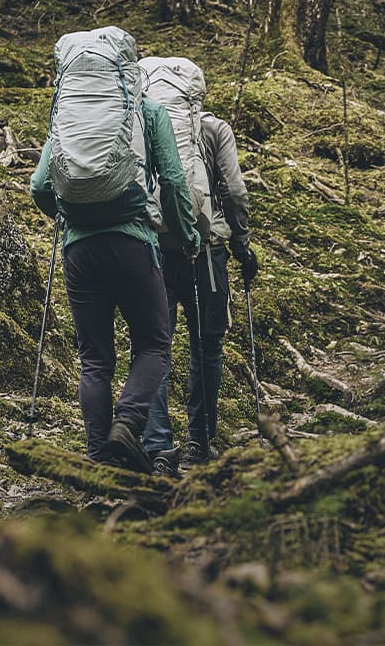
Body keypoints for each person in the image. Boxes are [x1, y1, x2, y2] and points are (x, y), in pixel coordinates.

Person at [30, 27, 201, 474]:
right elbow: (175, 183)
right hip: (133, 243)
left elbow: (39, 185)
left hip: (79, 253)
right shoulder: (146, 110)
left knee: (94, 359)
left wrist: (67, 219)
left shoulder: (68, 117)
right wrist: (185, 236)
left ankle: (99, 457)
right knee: (153, 344)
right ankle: (128, 423)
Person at [140, 61, 258, 476]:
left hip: (153, 249)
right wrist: (242, 245)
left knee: (154, 347)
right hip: (206, 253)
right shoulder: (214, 129)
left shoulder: (143, 121)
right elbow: (235, 191)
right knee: (206, 348)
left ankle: (156, 446)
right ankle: (198, 441)